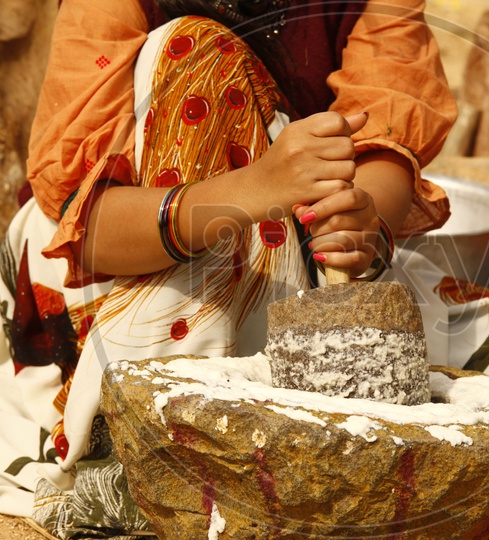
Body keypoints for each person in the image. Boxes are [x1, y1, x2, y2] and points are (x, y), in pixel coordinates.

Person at [0, 0, 457, 530]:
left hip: (292, 254)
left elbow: (387, 138)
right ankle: (143, 435)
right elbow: (90, 230)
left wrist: (361, 221)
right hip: (117, 265)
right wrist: (253, 188)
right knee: (198, 50)